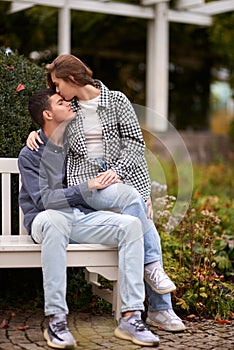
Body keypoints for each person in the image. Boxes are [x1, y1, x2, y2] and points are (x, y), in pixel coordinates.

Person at [27, 54, 185, 332]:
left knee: (136, 209)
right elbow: (51, 123)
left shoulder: (117, 101)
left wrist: (134, 184)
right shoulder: (68, 108)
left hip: (122, 182)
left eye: (58, 84)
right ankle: (160, 299)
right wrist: (33, 132)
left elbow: (135, 145)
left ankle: (159, 305)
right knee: (134, 206)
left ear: (72, 79)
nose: (56, 91)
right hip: (89, 188)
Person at [18, 88, 161, 349]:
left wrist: (142, 194)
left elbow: (124, 153)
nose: (70, 104)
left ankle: (131, 317)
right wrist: (86, 188)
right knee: (54, 219)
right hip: (46, 220)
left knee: (131, 225)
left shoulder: (77, 145)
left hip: (79, 218)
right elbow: (44, 201)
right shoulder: (31, 154)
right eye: (62, 102)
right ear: (48, 114)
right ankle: (57, 320)